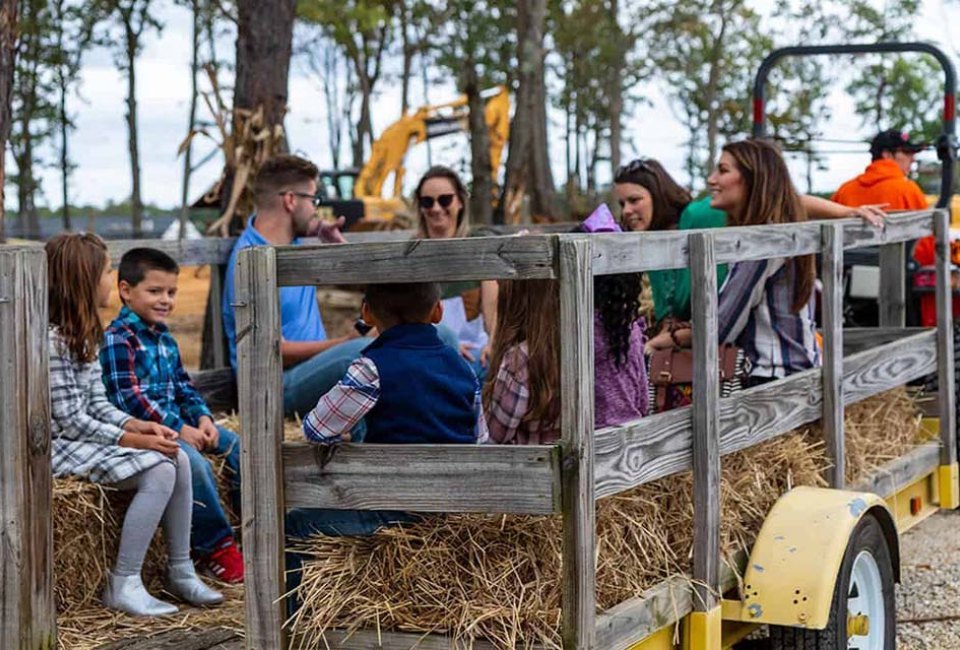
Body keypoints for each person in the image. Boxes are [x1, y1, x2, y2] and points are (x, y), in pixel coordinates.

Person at [46, 233, 222, 616]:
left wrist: (140, 426)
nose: (111, 279)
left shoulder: (84, 338)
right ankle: (124, 582)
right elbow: (69, 420)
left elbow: (97, 404)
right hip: (54, 444)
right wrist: (131, 439)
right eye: (107, 271)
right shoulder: (51, 342)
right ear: (84, 279)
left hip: (81, 435)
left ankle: (180, 567)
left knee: (174, 455)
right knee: (159, 471)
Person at [286, 282, 487, 606]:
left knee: (297, 522)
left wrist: (347, 435)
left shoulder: (371, 368)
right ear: (438, 311)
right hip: (456, 508)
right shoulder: (462, 366)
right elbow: (480, 439)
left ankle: (295, 624)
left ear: (366, 312)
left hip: (397, 509)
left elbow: (316, 429)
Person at [100, 248, 244, 584]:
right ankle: (215, 547)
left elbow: (184, 388)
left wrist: (204, 418)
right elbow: (128, 399)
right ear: (125, 290)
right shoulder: (118, 340)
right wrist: (179, 428)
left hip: (181, 423)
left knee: (238, 447)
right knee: (193, 464)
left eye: (171, 292)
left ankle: (250, 526)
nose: (165, 300)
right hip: (146, 433)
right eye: (155, 291)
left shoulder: (165, 338)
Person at [222, 154, 371, 418]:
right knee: (360, 355)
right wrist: (343, 343)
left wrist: (336, 245)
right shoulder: (248, 259)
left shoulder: (291, 245)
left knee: (420, 338)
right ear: (291, 200)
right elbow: (270, 349)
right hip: (275, 387)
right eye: (313, 200)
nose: (316, 209)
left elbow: (362, 280)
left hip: (311, 371)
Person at [484, 213, 648, 443]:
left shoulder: (549, 347)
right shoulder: (629, 331)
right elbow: (642, 401)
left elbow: (493, 438)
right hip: (631, 450)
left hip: (569, 461)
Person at [668, 140, 821, 385]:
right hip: (796, 372)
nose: (711, 179)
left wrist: (666, 340)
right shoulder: (782, 232)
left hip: (770, 377)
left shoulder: (762, 242)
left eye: (723, 170)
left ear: (752, 180)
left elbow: (719, 328)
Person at [831, 129, 952, 326]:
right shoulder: (907, 190)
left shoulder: (844, 191)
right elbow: (929, 247)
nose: (912, 159)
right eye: (906, 153)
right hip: (900, 295)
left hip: (847, 298)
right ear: (887, 155)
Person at [414, 166, 498, 379]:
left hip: (474, 352)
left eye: (444, 200)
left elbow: (492, 310)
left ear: (460, 202)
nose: (435, 208)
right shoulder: (411, 253)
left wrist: (494, 343)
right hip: (429, 350)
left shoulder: (478, 245)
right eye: (427, 201)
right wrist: (445, 345)